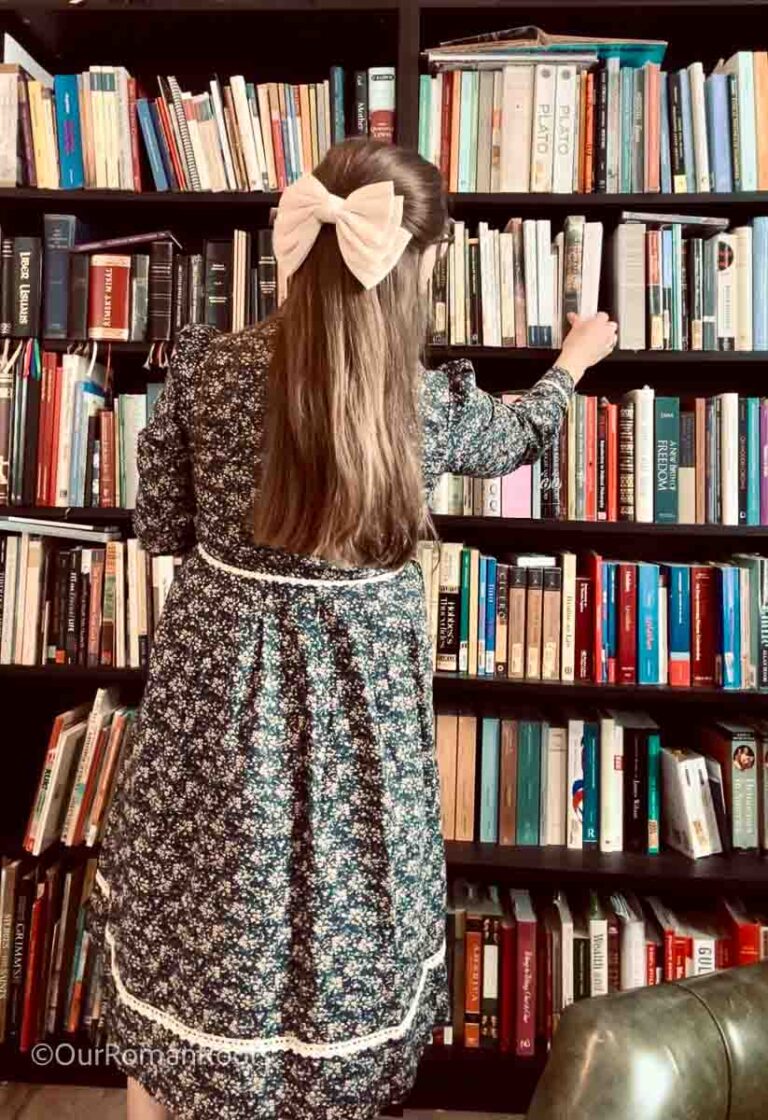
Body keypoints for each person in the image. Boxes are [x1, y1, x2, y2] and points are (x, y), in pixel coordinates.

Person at [84, 138, 617, 1120]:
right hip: (354, 700)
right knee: (342, 903)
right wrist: (575, 360)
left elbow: (160, 522)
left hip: (218, 688)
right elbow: (520, 435)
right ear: (414, 263)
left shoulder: (210, 366)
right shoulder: (426, 403)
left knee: (202, 900)